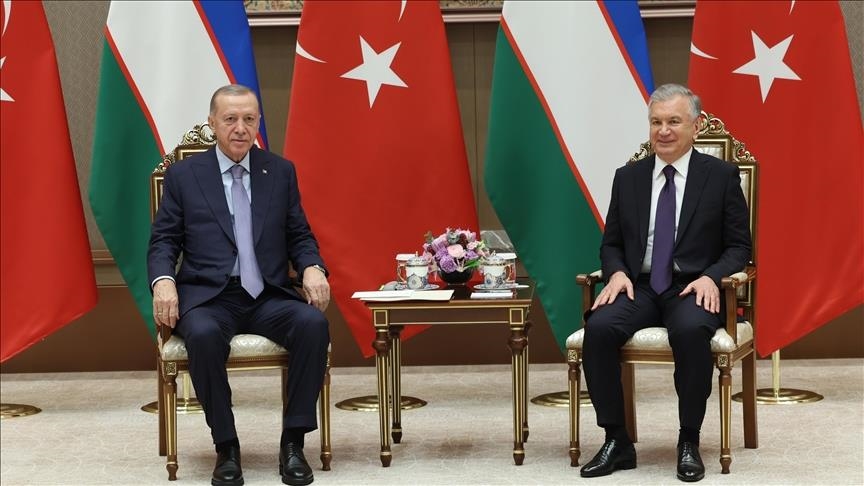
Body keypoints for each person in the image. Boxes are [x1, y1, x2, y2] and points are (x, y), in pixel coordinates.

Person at [148, 84, 330, 486]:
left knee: (312, 325)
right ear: (213, 123)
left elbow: (299, 235)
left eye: (249, 119)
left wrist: (313, 268)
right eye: (230, 119)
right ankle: (226, 446)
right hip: (209, 297)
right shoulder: (184, 176)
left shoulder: (279, 171)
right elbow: (164, 241)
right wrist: (163, 282)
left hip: (267, 294)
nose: (240, 128)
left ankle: (293, 442)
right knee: (204, 335)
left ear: (258, 123)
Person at [579, 84, 751, 483]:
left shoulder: (721, 177)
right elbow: (612, 243)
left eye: (674, 121)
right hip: (638, 285)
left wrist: (712, 277)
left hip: (693, 286)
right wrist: (616, 272)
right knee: (599, 329)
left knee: (690, 332)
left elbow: (740, 247)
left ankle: (689, 440)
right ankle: (617, 440)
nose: (664, 131)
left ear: (696, 126)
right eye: (656, 122)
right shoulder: (629, 177)